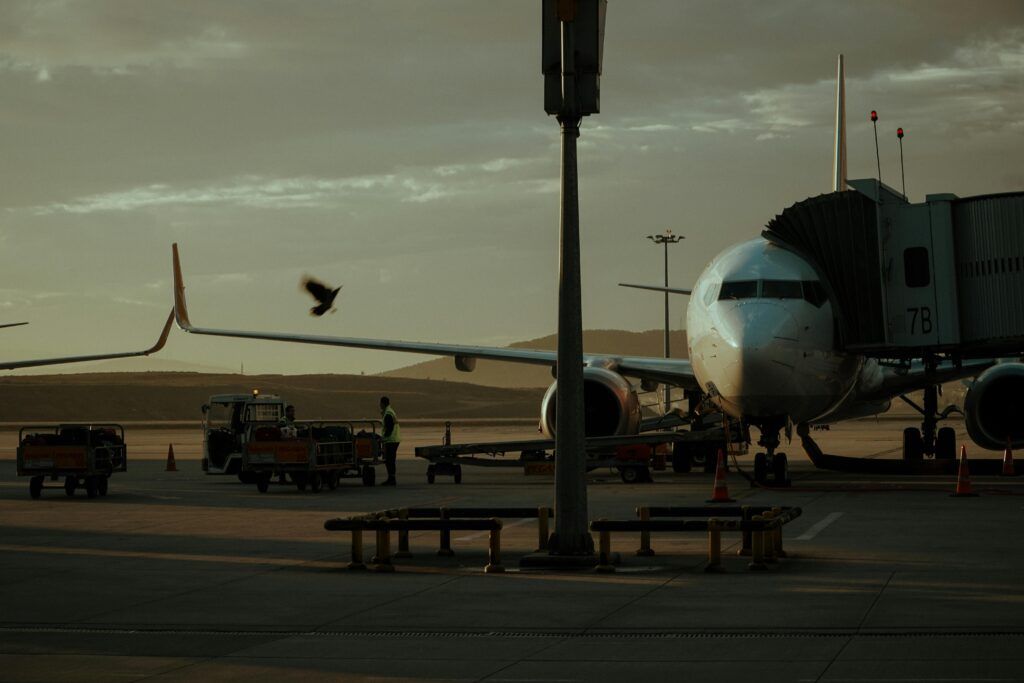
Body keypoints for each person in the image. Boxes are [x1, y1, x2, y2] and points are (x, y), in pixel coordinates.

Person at [379, 396, 400, 486]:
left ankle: (391, 479)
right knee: (390, 460)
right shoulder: (390, 411)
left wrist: (383, 438)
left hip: (390, 440)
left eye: (380, 403)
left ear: (383, 404)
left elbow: (389, 428)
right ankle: (391, 478)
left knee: (389, 460)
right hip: (394, 439)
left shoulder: (388, 413)